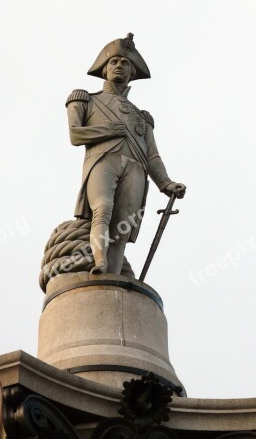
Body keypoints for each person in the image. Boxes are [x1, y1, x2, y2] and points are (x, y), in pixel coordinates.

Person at [66, 33, 186, 275]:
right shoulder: (85, 99)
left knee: (122, 227)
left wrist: (166, 184)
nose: (119, 66)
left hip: (136, 168)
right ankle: (99, 262)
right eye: (114, 62)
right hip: (103, 160)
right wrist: (110, 129)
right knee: (103, 208)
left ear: (132, 73)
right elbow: (76, 135)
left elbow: (152, 156)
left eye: (125, 63)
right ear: (104, 69)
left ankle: (113, 274)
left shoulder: (142, 117)